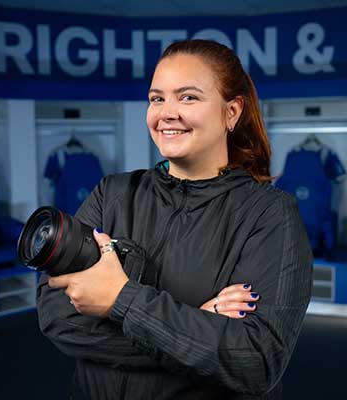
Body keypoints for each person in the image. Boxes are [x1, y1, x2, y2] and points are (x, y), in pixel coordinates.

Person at [37, 39, 313, 399]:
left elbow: (256, 361)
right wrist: (191, 328)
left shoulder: (270, 215)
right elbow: (56, 315)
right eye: (157, 98)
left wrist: (120, 300)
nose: (167, 112)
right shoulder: (113, 195)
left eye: (188, 97)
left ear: (232, 112)